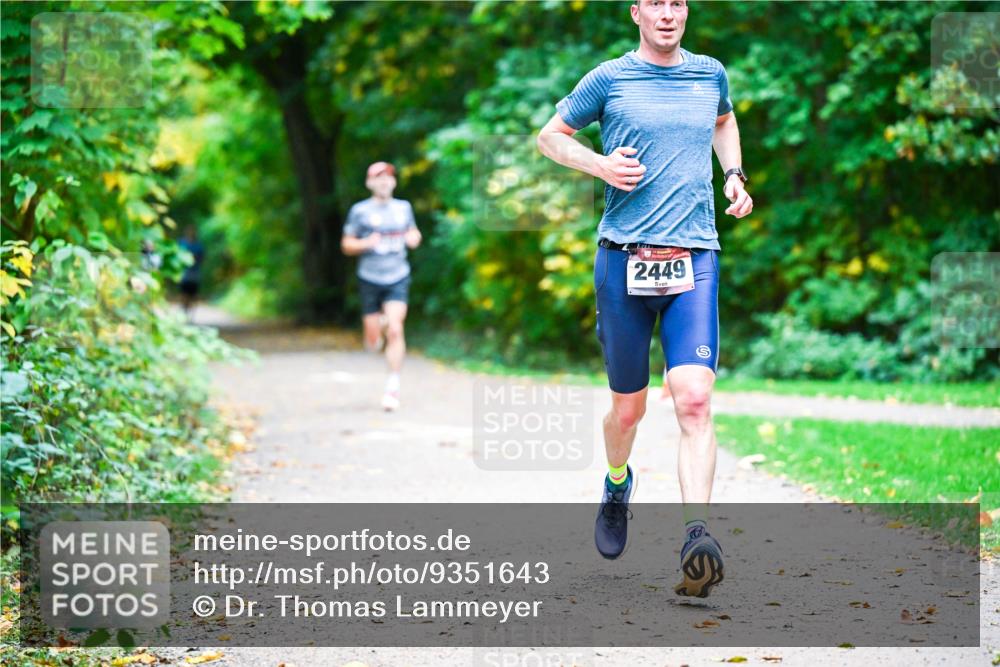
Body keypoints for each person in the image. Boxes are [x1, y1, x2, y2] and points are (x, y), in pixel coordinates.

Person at [536, 0, 753, 597]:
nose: (668, 13)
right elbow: (550, 137)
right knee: (627, 411)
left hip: (694, 256)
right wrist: (600, 165)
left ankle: (696, 538)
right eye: (655, 2)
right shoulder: (610, 78)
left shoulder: (709, 72)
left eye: (677, 2)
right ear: (636, 12)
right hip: (623, 259)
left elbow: (724, 120)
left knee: (694, 399)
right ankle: (616, 482)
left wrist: (734, 174)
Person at [341, 161, 422, 412]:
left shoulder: (403, 208)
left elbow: (414, 233)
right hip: (369, 278)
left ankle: (392, 386)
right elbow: (346, 244)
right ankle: (376, 331)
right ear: (370, 183)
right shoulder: (360, 211)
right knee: (373, 339)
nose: (384, 181)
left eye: (388, 177)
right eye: (378, 178)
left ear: (394, 182)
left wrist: (413, 238)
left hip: (397, 276)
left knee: (396, 329)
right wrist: (366, 243)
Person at [178, 226, 204, 320]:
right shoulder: (181, 243)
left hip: (194, 273)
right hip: (183, 273)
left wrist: (194, 259)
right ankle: (184, 311)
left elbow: (202, 258)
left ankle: (191, 313)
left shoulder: (198, 245)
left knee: (193, 294)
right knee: (184, 293)